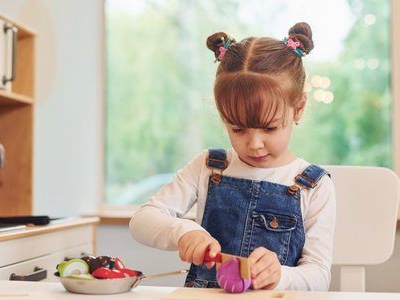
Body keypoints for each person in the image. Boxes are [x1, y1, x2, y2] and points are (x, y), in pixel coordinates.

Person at [129, 22, 336, 291]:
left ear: (299, 108)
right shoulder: (209, 166)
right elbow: (141, 221)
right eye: (237, 129)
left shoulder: (315, 186)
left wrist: (281, 276)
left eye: (269, 128)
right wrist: (184, 232)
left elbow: (319, 276)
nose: (255, 144)